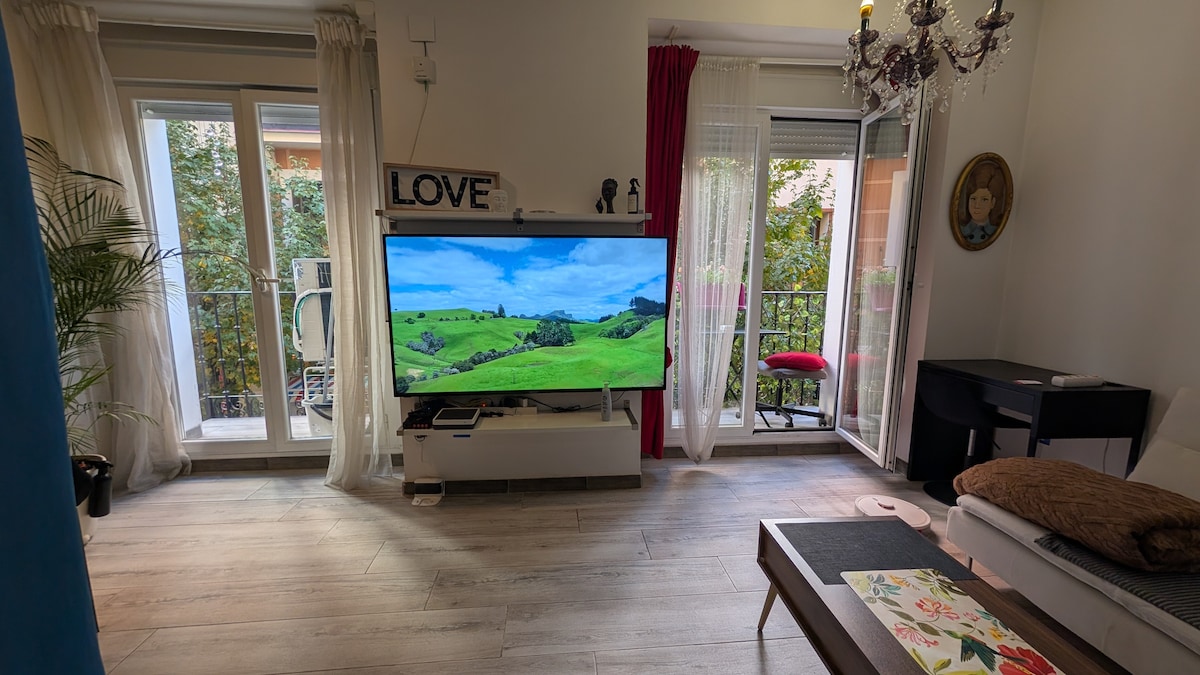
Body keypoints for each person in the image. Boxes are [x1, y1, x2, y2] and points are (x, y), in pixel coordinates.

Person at [958, 163, 1005, 245]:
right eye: (973, 199)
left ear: (992, 202)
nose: (977, 205)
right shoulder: (961, 230)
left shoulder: (995, 232)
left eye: (984, 200)